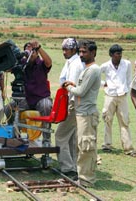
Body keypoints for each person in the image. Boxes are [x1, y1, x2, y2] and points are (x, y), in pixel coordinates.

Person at [63, 39, 101, 188]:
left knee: (86, 146)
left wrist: (68, 87)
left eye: (84, 52)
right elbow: (81, 88)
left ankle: (87, 179)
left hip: (87, 114)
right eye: (80, 51)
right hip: (82, 113)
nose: (81, 54)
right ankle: (83, 177)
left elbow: (81, 91)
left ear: (93, 52)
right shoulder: (87, 69)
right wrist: (74, 86)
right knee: (81, 145)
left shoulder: (93, 70)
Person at [4, 40, 53, 146]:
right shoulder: (22, 64)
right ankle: (14, 136)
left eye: (32, 51)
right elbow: (7, 68)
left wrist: (39, 47)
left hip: (41, 98)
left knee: (46, 106)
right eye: (27, 50)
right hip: (26, 98)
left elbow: (49, 62)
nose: (30, 53)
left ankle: (46, 139)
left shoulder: (41, 63)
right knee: (8, 108)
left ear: (37, 53)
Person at [55, 38, 84, 180]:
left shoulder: (75, 64)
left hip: (72, 103)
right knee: (71, 137)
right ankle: (73, 166)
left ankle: (67, 168)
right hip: (72, 103)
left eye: (66, 49)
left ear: (74, 50)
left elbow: (69, 86)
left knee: (60, 135)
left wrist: (67, 106)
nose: (64, 52)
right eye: (63, 49)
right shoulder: (71, 62)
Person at [100, 44, 136, 157]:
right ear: (111, 54)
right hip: (109, 96)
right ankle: (107, 145)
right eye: (117, 54)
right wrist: (103, 84)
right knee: (107, 120)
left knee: (124, 122)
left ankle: (128, 148)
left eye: (120, 53)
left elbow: (129, 78)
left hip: (122, 96)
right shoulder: (105, 65)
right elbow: (95, 75)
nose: (119, 56)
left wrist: (126, 89)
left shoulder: (126, 64)